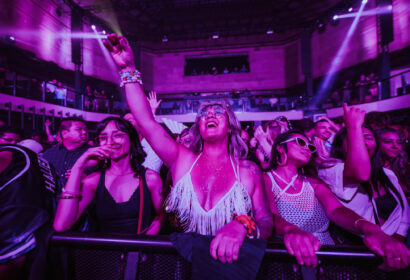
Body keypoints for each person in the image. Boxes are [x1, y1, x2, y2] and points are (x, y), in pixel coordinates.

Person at [103, 34, 273, 263]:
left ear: (231, 126)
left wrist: (244, 226)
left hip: (235, 268)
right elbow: (146, 122)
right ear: (198, 126)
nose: (209, 114)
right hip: (181, 267)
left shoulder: (248, 170)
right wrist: (128, 68)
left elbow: (266, 221)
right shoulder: (181, 160)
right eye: (203, 114)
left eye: (217, 111)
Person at [263, 128, 410, 271]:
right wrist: (292, 230)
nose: (307, 148)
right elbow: (270, 215)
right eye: (300, 143)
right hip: (284, 258)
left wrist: (370, 229)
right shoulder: (265, 178)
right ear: (281, 149)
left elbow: (336, 210)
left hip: (327, 257)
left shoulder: (314, 182)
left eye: (310, 146)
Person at [53, 117, 163, 234]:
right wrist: (78, 166)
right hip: (104, 250)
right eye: (103, 138)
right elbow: (61, 225)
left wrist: (155, 227)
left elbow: (163, 214)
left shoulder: (150, 178)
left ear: (131, 140)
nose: (110, 142)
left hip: (140, 249)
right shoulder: (93, 181)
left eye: (117, 135)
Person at [318, 105, 409, 242]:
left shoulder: (387, 174)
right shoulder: (330, 170)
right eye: (356, 137)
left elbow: (404, 216)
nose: (362, 142)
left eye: (368, 137)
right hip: (354, 250)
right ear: (340, 146)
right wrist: (353, 125)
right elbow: (360, 175)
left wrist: (394, 244)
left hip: (393, 246)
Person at [42, 117, 89, 188]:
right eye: (79, 129)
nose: (84, 132)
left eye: (85, 129)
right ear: (64, 133)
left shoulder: (93, 153)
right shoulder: (49, 154)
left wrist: (85, 178)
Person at [377, 128, 409, 194]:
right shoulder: (372, 171)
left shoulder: (404, 167)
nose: (395, 146)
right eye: (388, 141)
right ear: (376, 143)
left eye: (399, 143)